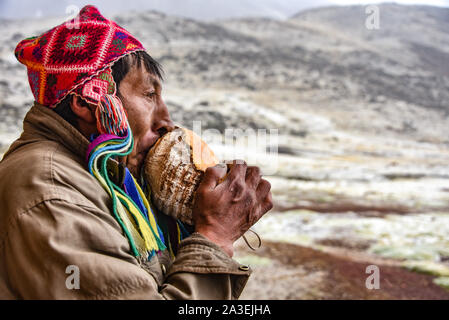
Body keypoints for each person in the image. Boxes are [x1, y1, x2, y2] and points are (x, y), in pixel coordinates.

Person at [0, 5, 272, 299]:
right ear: (87, 102)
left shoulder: (105, 176)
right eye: (149, 95)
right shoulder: (51, 194)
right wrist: (215, 237)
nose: (166, 120)